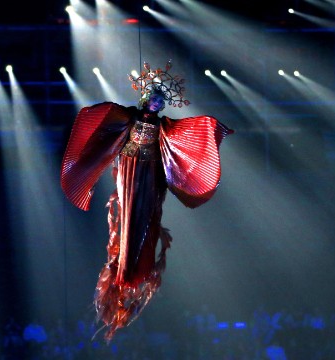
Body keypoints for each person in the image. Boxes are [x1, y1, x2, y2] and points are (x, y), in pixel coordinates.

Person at [60, 60, 233, 341]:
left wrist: (210, 128)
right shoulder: (128, 117)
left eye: (160, 101)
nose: (156, 103)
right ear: (144, 99)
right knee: (127, 215)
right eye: (153, 98)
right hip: (129, 167)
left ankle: (134, 268)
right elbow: (105, 120)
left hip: (150, 171)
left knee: (145, 217)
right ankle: (121, 268)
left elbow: (184, 137)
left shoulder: (165, 126)